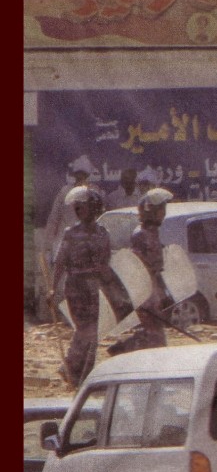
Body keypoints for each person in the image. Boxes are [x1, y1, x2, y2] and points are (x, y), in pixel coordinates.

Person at [49, 187, 117, 386]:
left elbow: (106, 263)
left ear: (93, 207)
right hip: (76, 286)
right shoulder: (71, 233)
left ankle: (85, 374)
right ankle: (70, 366)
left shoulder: (103, 233)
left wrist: (111, 289)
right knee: (84, 329)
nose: (77, 209)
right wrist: (52, 288)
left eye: (82, 205)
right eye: (76, 206)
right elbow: (60, 262)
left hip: (95, 288)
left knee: (94, 332)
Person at [107, 188, 175, 355]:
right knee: (156, 336)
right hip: (145, 293)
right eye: (161, 210)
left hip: (154, 291)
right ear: (151, 211)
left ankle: (127, 348)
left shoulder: (153, 233)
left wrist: (164, 293)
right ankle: (124, 348)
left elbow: (157, 269)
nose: (163, 214)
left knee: (155, 334)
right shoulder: (141, 234)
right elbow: (137, 267)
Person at [45, 155, 105, 263]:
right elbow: (54, 219)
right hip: (65, 241)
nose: (80, 177)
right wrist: (48, 246)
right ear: (74, 175)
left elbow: (101, 216)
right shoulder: (64, 191)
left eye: (83, 174)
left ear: (87, 175)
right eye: (78, 174)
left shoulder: (94, 192)